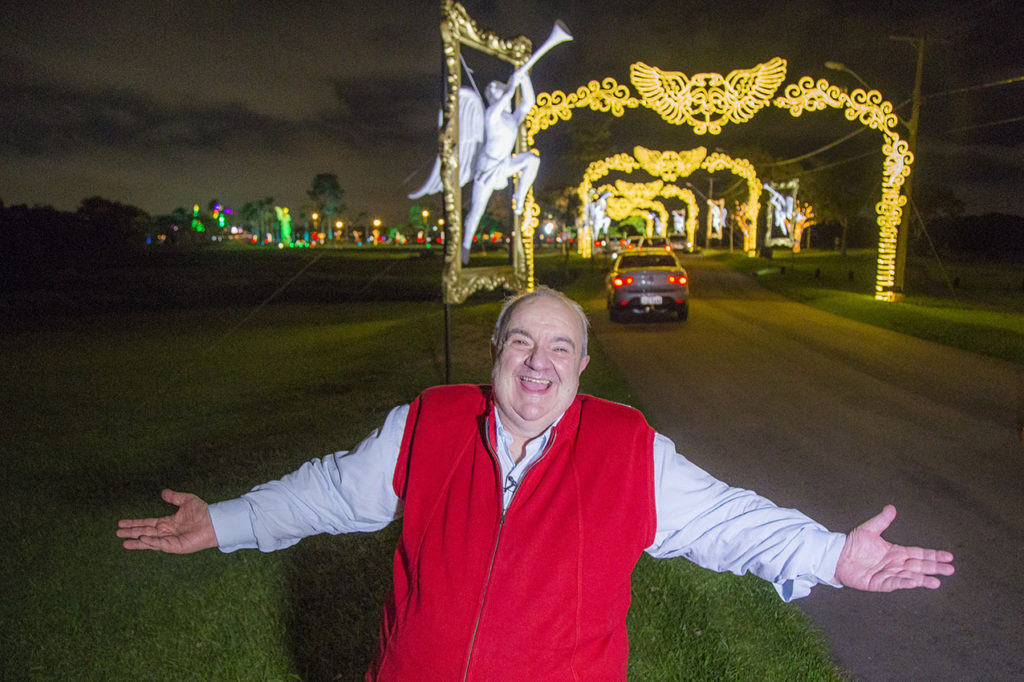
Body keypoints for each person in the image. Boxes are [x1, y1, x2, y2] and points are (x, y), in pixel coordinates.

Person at [118, 287, 955, 680]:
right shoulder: (430, 422)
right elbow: (329, 492)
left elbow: (730, 521)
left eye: (559, 347)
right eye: (521, 342)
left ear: (584, 366)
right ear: (494, 354)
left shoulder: (628, 448)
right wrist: (221, 522)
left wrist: (831, 557)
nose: (538, 362)